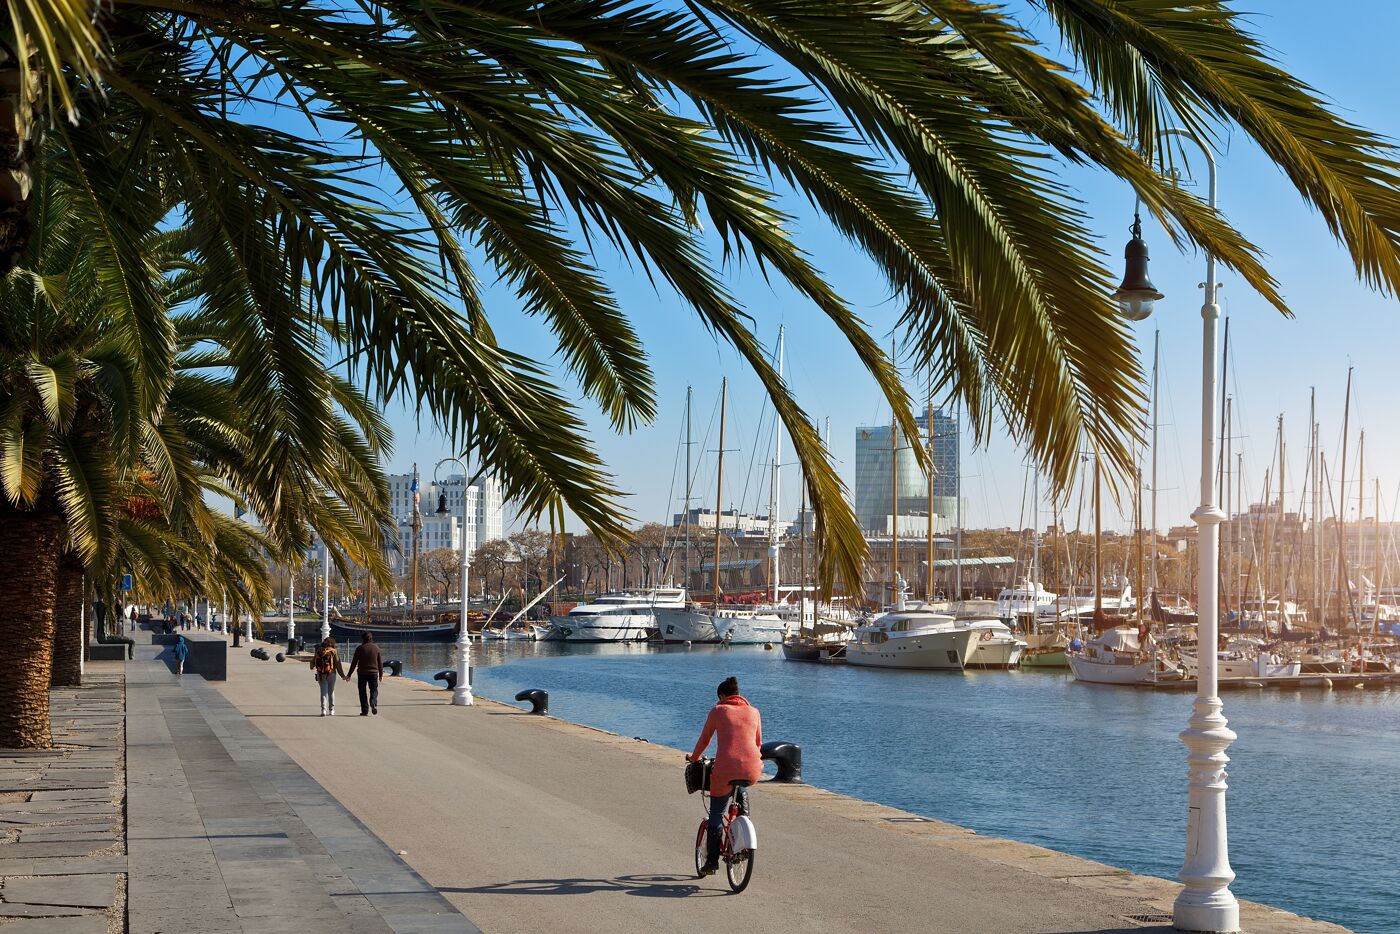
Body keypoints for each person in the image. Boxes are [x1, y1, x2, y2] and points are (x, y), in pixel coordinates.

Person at [687, 676, 762, 876]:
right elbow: (757, 743)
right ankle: (743, 822)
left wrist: (694, 758)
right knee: (741, 787)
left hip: (725, 769)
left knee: (717, 814)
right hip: (752, 769)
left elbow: (705, 739)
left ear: (722, 696)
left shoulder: (718, 710)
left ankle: (711, 862)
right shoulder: (754, 712)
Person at [346, 632, 385, 716]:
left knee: (362, 691)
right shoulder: (376, 648)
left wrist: (349, 674)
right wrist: (381, 674)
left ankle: (365, 711)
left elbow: (354, 663)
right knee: (374, 689)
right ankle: (373, 701)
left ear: (363, 639)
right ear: (371, 638)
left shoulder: (360, 648)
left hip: (362, 673)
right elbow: (380, 663)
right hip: (374, 673)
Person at [312, 637, 348, 716]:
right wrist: (343, 676)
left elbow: (313, 663)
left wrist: (313, 668)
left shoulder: (319, 650)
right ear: (332, 643)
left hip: (321, 674)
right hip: (331, 673)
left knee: (323, 692)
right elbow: (338, 665)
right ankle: (331, 710)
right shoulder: (333, 651)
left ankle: (323, 710)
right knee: (331, 691)